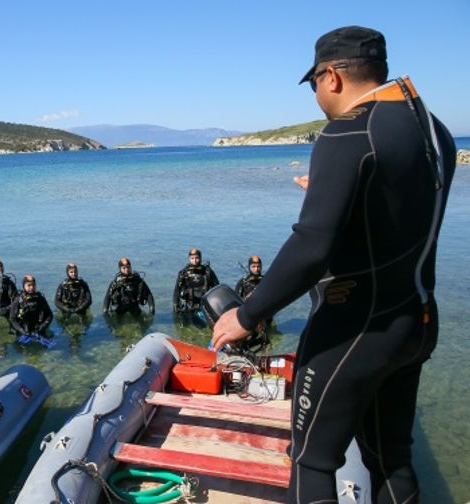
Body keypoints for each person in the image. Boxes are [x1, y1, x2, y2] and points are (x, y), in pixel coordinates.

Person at [210, 26, 455, 503]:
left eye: (316, 84)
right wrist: (330, 197)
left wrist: (247, 314)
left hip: (354, 329)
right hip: (416, 322)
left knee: (312, 460)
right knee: (391, 460)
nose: (318, 96)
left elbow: (311, 247)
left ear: (332, 77)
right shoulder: (434, 128)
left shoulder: (347, 131)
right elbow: (403, 208)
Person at [172, 248, 219, 313]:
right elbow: (177, 290)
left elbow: (217, 288)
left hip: (205, 305)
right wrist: (175, 304)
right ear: (189, 259)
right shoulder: (183, 273)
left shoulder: (208, 272)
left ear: (201, 258)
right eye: (192, 258)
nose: (195, 261)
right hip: (189, 305)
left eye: (197, 258)